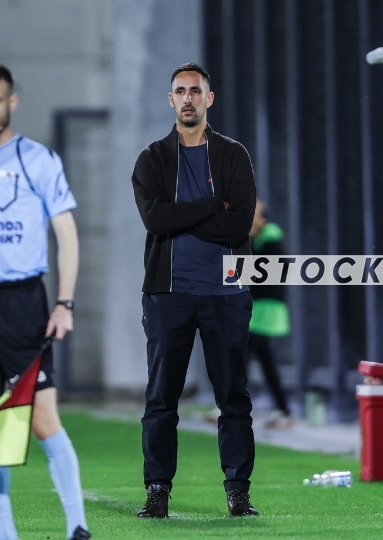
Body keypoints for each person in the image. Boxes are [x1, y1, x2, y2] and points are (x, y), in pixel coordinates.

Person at [131, 62, 258, 518]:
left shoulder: (233, 154)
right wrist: (210, 207)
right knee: (161, 399)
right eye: (181, 91)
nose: (188, 98)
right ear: (171, 100)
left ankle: (238, 492)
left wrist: (183, 215)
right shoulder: (151, 159)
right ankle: (157, 491)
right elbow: (156, 219)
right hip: (168, 295)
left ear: (209, 98)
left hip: (227, 291)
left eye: (195, 91)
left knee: (233, 398)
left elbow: (239, 223)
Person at [0, 62, 91, 540]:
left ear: (12, 102)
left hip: (23, 301)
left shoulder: (36, 159)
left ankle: (77, 526)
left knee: (43, 420)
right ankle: (3, 533)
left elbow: (66, 233)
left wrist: (64, 303)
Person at [247, 200, 294, 429]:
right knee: (266, 363)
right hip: (258, 308)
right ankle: (284, 411)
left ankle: (226, 406)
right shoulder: (255, 238)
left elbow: (272, 275)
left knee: (241, 357)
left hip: (266, 309)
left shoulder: (270, 237)